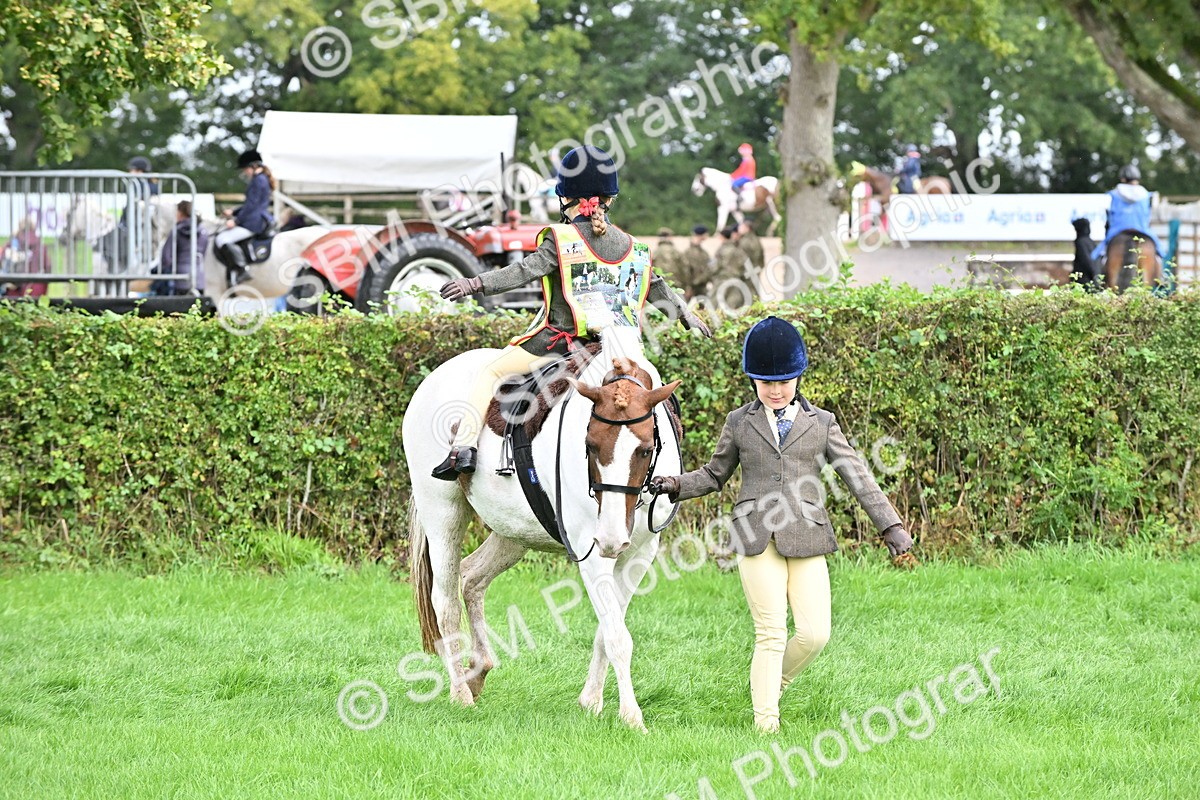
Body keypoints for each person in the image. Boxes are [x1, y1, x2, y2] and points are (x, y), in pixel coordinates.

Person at [649, 316, 913, 734]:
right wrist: (675, 484)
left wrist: (889, 525)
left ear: (798, 377)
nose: (775, 390)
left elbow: (857, 475)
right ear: (752, 380)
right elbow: (715, 474)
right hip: (755, 536)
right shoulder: (739, 422)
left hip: (807, 533)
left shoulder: (822, 423)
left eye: (783, 382)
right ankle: (765, 724)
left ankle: (773, 685)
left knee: (815, 634)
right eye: (765, 382)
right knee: (770, 633)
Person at [434, 145, 712, 480]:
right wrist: (686, 316)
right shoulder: (632, 246)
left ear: (566, 198)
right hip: (616, 350)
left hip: (559, 344)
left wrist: (475, 283)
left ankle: (463, 449)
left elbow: (523, 271)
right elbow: (655, 285)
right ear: (609, 199)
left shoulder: (561, 238)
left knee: (490, 373)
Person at [216, 149, 276, 285]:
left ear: (254, 166)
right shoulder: (261, 179)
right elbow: (250, 204)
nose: (244, 172)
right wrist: (234, 212)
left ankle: (242, 270)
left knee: (222, 239)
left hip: (254, 222)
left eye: (245, 169)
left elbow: (252, 206)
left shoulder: (258, 181)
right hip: (255, 218)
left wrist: (236, 221)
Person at [1089, 164, 1164, 266]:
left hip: (1117, 231)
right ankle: (1163, 276)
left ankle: (1099, 279)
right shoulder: (1147, 195)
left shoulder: (1113, 194)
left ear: (1123, 179)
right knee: (1160, 254)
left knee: (1100, 255)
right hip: (1143, 230)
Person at [151, 200, 209, 296]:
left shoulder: (177, 230)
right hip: (199, 278)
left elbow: (166, 257)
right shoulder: (203, 231)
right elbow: (204, 252)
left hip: (179, 279)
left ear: (180, 213)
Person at [1, 214, 50, 299]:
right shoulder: (41, 245)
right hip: (37, 291)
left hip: (12, 291)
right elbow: (48, 267)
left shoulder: (10, 244)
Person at [676, 225, 715, 301]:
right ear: (701, 235)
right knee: (683, 307)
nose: (707, 236)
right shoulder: (688, 252)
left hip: (701, 285)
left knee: (705, 307)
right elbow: (685, 270)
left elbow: (708, 268)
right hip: (691, 286)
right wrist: (688, 287)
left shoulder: (703, 252)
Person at [1069, 218, 1100, 291]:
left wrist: (1093, 275)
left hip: (1085, 280)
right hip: (1092, 279)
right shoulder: (1090, 242)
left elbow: (1086, 260)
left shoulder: (1081, 242)